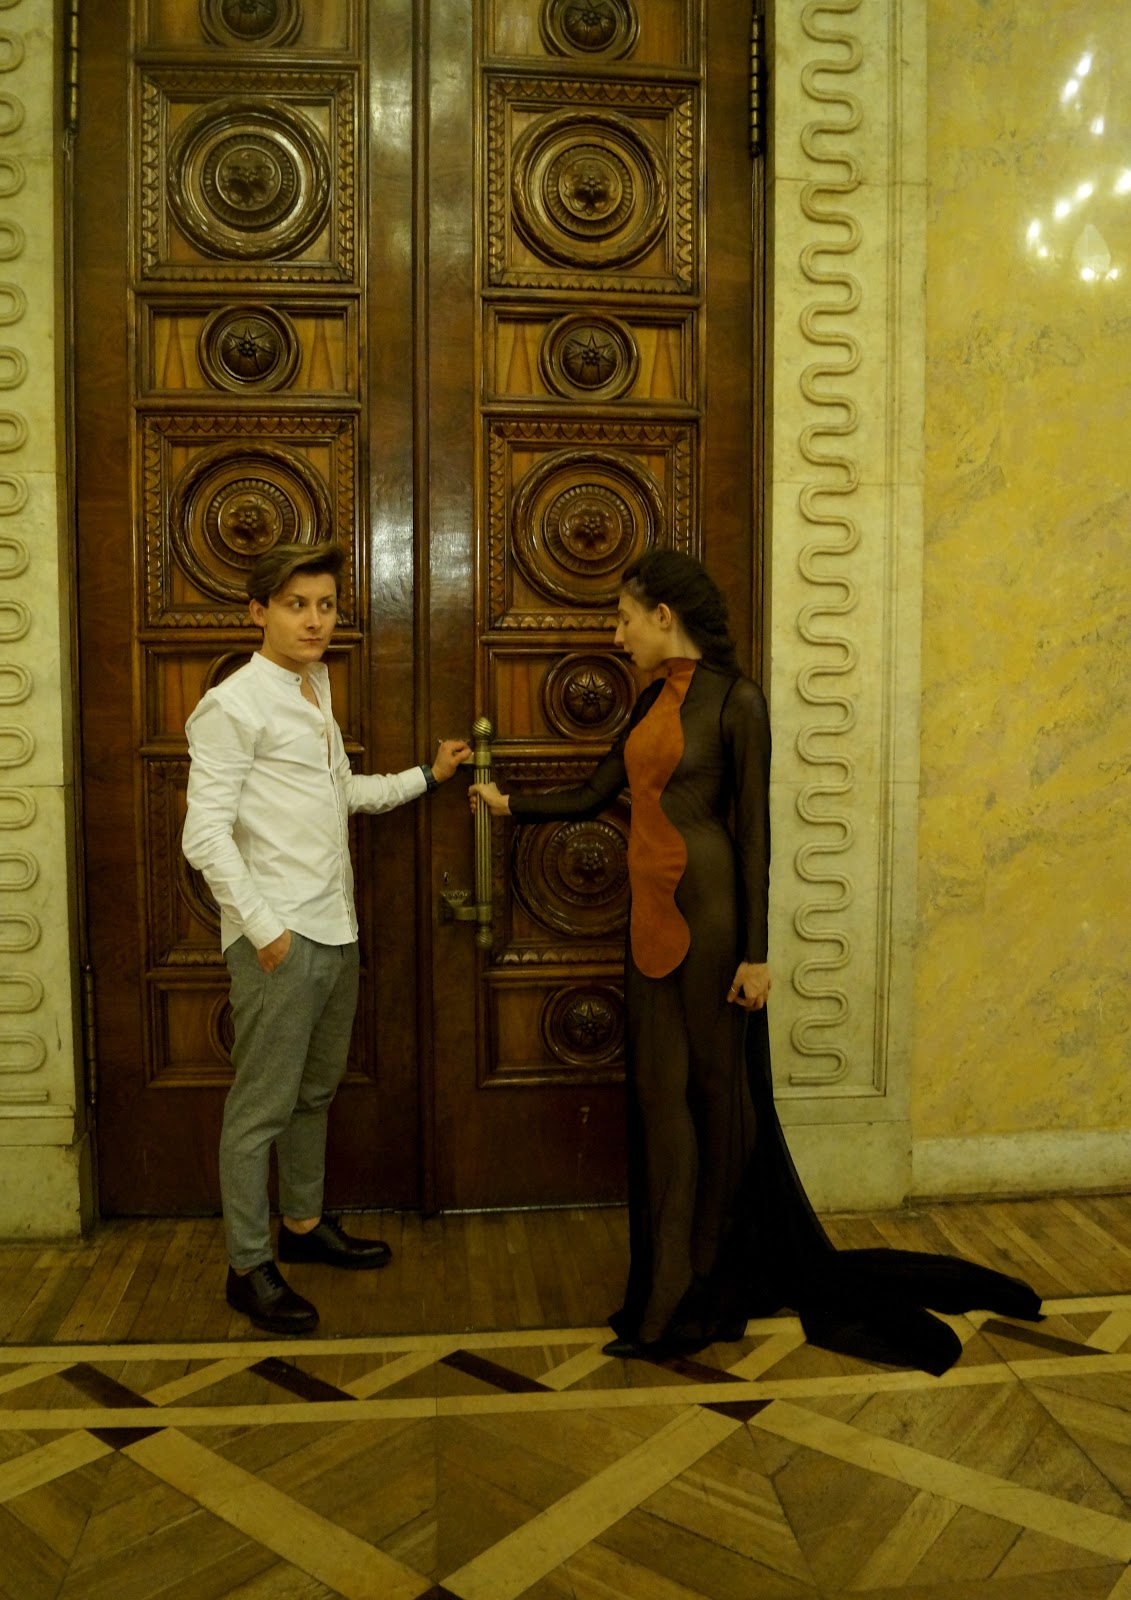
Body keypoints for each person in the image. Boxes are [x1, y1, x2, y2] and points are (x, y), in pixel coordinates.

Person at [471, 549, 1041, 1374]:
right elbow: (597, 791)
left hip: (712, 922)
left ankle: (705, 1284)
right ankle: (666, 1288)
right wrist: (508, 804)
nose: (618, 635)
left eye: (624, 619)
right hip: (648, 922)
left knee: (717, 1099)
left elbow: (754, 837)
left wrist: (757, 956)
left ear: (662, 616)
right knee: (659, 1102)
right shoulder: (649, 701)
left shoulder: (738, 701)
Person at [183, 541, 470, 1335]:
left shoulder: (315, 686)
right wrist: (266, 930)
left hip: (334, 928)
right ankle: (247, 1268)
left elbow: (340, 792)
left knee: (313, 1094)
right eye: (295, 605)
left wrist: (427, 778)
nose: (314, 621)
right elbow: (203, 836)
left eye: (325, 605)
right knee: (259, 1112)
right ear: (258, 612)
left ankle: (303, 1227)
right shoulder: (233, 704)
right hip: (279, 939)